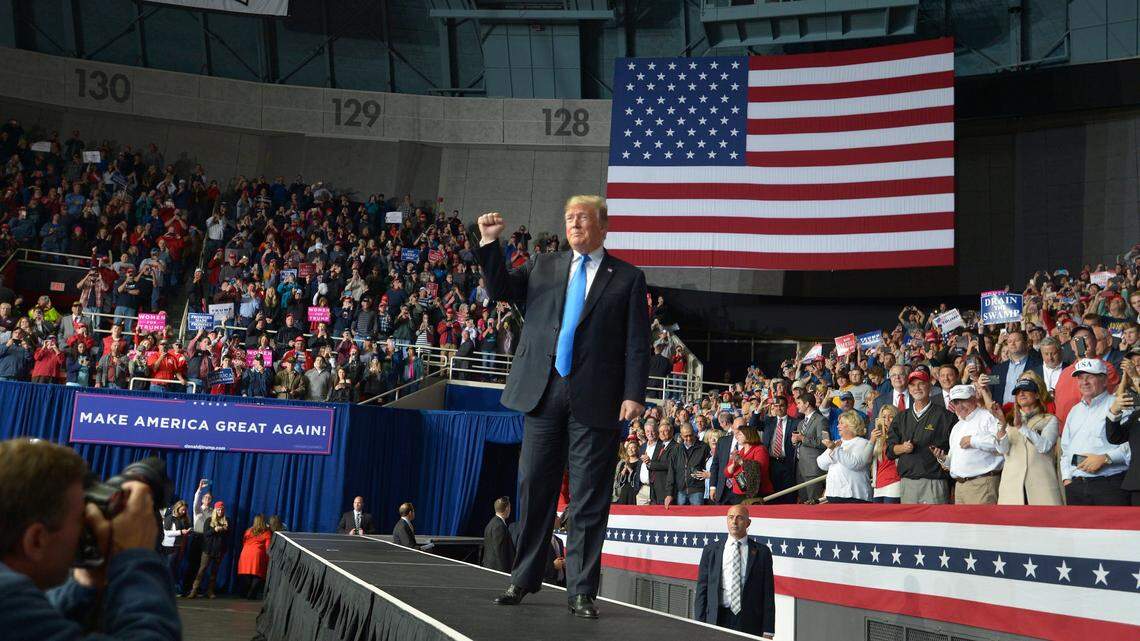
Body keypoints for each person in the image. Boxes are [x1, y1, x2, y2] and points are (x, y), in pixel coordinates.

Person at [476, 198, 650, 620]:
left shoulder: (627, 278)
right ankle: (523, 578)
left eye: (583, 217)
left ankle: (581, 590)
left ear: (603, 227)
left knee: (589, 498)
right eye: (569, 217)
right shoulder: (544, 264)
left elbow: (636, 343)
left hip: (598, 399)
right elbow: (500, 290)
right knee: (534, 485)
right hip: (542, 391)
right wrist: (487, 243)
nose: (574, 222)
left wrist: (634, 395)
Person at [0, 438, 179, 641]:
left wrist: (87, 582)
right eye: (81, 518)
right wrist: (135, 556)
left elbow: (43, 628)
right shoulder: (7, 597)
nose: (90, 525)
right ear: (36, 540)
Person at [693, 505, 774, 639]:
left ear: (748, 523)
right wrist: (699, 623)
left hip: (749, 621)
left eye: (739, 518)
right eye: (730, 517)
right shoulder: (711, 550)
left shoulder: (762, 552)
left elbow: (768, 593)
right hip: (717, 618)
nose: (734, 522)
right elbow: (702, 588)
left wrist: (768, 630)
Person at [1060, 358, 1131, 505]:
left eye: (1090, 377)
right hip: (1076, 487)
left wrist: (1106, 458)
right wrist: (1067, 479)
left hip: (1110, 485)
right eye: (1080, 378)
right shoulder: (1074, 411)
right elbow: (1065, 449)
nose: (1084, 382)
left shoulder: (1119, 405)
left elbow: (1133, 446)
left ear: (1104, 381)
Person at [885, 369, 954, 504]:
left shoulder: (946, 416)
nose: (916, 388)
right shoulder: (901, 416)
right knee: (910, 525)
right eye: (912, 385)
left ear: (929, 386)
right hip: (908, 482)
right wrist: (903, 448)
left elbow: (955, 451)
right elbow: (890, 451)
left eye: (921, 384)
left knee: (935, 523)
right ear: (908, 389)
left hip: (935, 482)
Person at [994, 375, 1064, 505]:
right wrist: (1002, 426)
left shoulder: (1049, 419)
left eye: (1026, 390)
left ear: (1037, 395)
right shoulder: (1009, 421)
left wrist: (1022, 427)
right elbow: (1002, 450)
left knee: (1045, 524)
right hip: (1012, 488)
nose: (1021, 393)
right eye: (1018, 391)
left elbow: (1045, 446)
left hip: (1042, 487)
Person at [932, 385, 1004, 505]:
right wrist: (944, 459)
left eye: (963, 400)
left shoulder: (988, 416)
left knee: (983, 523)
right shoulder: (957, 426)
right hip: (960, 486)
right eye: (955, 402)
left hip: (982, 483)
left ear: (974, 398)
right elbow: (953, 461)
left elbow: (1001, 445)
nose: (959, 405)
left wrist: (973, 441)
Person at [816, 411, 874, 503]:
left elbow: (855, 464)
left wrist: (835, 450)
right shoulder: (836, 442)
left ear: (851, 425)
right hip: (833, 494)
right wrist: (832, 450)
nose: (838, 426)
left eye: (841, 423)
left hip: (855, 496)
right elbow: (820, 463)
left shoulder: (862, 442)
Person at [1105, 354, 1140, 505]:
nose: (1135, 368)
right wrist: (1114, 411)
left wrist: (1135, 377)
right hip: (1137, 483)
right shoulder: (1136, 414)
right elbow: (1115, 437)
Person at [188, 501, 229, 599]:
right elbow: (206, 534)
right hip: (208, 550)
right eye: (219, 509)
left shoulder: (227, 521)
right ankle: (194, 590)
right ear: (215, 510)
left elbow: (228, 535)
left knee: (214, 573)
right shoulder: (209, 520)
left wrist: (224, 529)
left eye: (222, 509)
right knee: (202, 570)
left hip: (219, 551)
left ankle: (210, 591)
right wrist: (214, 530)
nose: (220, 511)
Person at [723, 425, 773, 503]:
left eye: (739, 434)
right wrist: (733, 464)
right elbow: (727, 473)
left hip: (756, 494)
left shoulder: (760, 449)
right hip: (738, 493)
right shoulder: (740, 452)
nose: (736, 437)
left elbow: (759, 469)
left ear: (748, 435)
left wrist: (741, 462)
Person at [792, 395, 827, 502]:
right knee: (803, 501)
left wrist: (802, 438)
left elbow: (824, 442)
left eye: (799, 403)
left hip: (813, 468)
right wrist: (794, 441)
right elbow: (799, 443)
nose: (797, 406)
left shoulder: (821, 420)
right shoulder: (801, 422)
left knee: (814, 501)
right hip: (800, 467)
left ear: (807, 404)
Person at [183, 479, 212, 593]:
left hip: (206, 539)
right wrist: (200, 489)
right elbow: (195, 501)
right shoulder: (198, 509)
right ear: (202, 499)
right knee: (192, 563)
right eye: (205, 497)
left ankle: (195, 588)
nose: (207, 500)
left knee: (202, 565)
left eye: (209, 498)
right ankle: (186, 588)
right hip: (196, 537)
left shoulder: (212, 511)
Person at [869, 405, 902, 503]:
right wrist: (872, 440)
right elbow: (865, 459)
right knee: (878, 517)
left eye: (891, 416)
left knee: (891, 517)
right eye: (883, 417)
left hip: (894, 482)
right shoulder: (877, 438)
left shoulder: (901, 436)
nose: (887, 420)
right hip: (878, 484)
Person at [674, 424, 710, 505]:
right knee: (682, 517)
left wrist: (707, 474)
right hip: (681, 491)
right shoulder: (677, 448)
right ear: (681, 436)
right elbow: (672, 470)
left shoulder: (704, 447)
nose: (689, 438)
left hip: (697, 490)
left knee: (698, 516)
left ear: (694, 433)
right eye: (686, 436)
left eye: (691, 435)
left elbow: (710, 465)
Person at [237, 514, 271, 599]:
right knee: (257, 576)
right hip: (257, 555)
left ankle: (243, 594)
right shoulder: (266, 532)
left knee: (245, 575)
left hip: (245, 554)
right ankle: (251, 595)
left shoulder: (248, 531)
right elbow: (268, 547)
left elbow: (244, 541)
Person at [161, 500, 191, 596]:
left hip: (178, 546)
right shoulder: (169, 518)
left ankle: (172, 588)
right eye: (182, 510)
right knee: (169, 568)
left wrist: (187, 532)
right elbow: (167, 533)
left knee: (174, 568)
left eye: (185, 510)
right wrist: (181, 532)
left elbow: (184, 531)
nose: (184, 512)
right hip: (168, 546)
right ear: (177, 508)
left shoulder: (183, 519)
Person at [481, 497, 515, 573]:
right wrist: (504, 574)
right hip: (497, 571)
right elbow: (500, 553)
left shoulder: (491, 524)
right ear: (507, 509)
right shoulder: (499, 526)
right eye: (510, 507)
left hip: (490, 568)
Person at [612, 438, 642, 504]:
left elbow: (639, 480)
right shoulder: (623, 463)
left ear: (637, 449)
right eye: (629, 448)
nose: (630, 450)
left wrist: (631, 471)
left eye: (633, 448)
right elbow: (618, 482)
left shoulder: (640, 463)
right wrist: (622, 473)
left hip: (634, 493)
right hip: (624, 493)